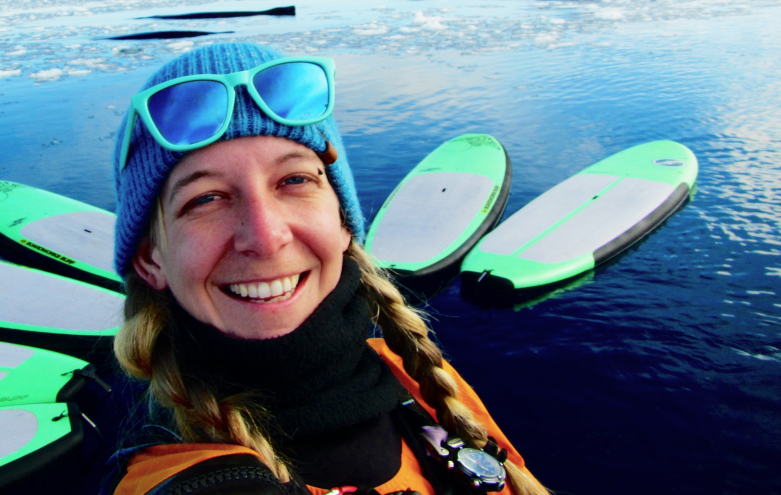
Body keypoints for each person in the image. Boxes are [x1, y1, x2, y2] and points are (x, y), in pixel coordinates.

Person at [103, 43, 547, 495]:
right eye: (206, 199)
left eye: (295, 180)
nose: (264, 236)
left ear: (342, 222)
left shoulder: (417, 378)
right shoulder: (171, 480)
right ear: (149, 259)